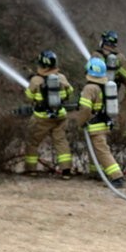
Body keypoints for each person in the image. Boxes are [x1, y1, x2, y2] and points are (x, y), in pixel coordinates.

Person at [71, 56, 125, 188]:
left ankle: (117, 177)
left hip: (95, 124)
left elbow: (85, 108)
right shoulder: (104, 85)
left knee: (102, 150)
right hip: (103, 122)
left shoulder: (90, 88)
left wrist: (80, 122)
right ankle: (95, 172)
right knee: (95, 149)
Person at [22, 50, 76, 178]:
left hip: (41, 117)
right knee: (61, 142)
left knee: (32, 142)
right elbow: (70, 92)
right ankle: (66, 171)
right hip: (60, 116)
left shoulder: (36, 80)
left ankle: (31, 170)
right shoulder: (61, 77)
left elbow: (28, 98)